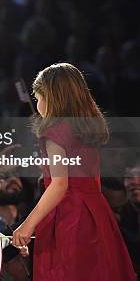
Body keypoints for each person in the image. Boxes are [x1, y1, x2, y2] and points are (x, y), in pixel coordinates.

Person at [12, 63, 136, 280]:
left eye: (39, 96)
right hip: (96, 214)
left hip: (70, 217)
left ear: (52, 98)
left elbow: (60, 185)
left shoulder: (55, 133)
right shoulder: (82, 128)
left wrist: (27, 225)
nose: (37, 103)